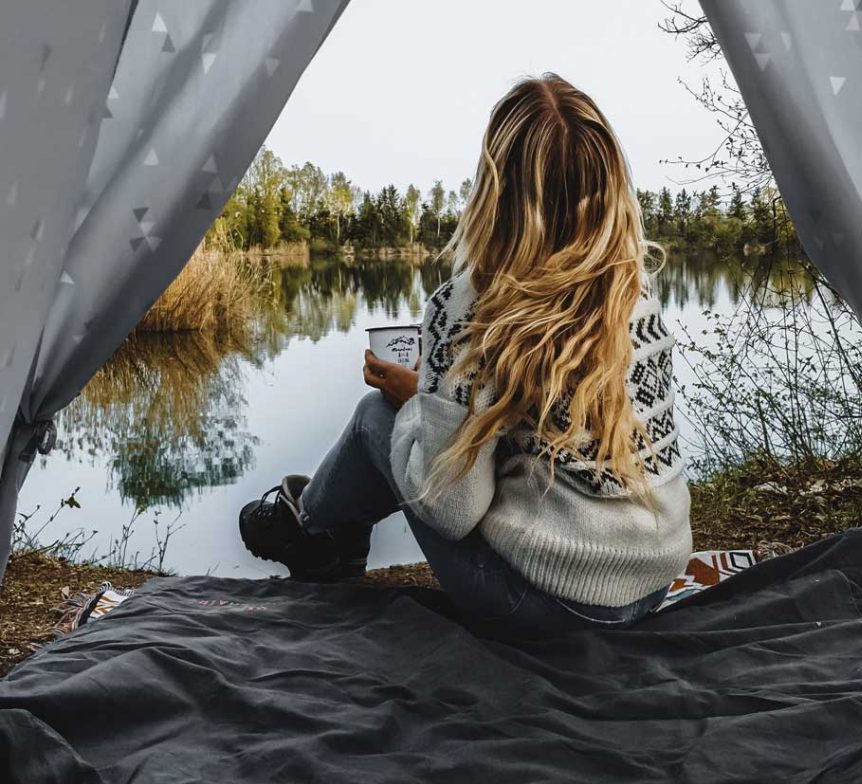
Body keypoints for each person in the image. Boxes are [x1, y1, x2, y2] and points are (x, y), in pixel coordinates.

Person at [239, 73, 692, 638]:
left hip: (546, 604)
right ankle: (321, 531)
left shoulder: (475, 304)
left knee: (375, 417)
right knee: (409, 415)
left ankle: (306, 527)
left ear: (496, 189)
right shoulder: (634, 294)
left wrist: (424, 401)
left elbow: (452, 511)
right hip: (649, 586)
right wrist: (436, 395)